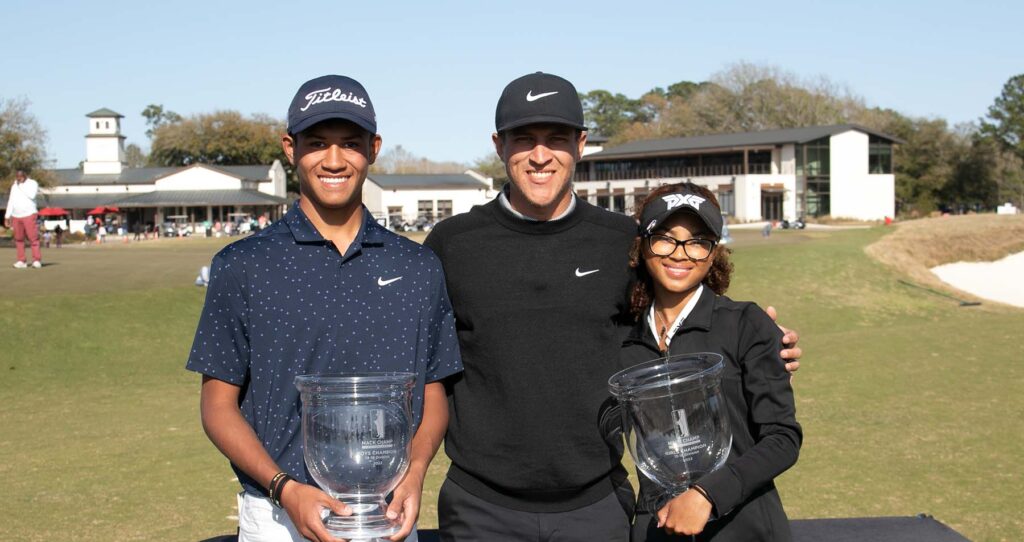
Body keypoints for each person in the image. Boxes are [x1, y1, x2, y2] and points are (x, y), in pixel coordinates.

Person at [424, 72, 801, 541]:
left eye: (556, 139)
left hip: (596, 504)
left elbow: (686, 303)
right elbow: (420, 359)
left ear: (581, 144)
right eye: (525, 139)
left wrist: (764, 342)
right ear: (499, 145)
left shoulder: (623, 241)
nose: (540, 156)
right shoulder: (451, 243)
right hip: (481, 506)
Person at [187, 74, 462, 542]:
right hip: (279, 517)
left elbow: (433, 390)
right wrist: (285, 490)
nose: (334, 161)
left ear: (373, 148)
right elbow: (217, 405)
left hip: (390, 515)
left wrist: (415, 471)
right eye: (317, 143)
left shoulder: (417, 265)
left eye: (350, 144)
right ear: (289, 148)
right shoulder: (241, 264)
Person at [621, 182, 801, 541]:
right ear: (643, 244)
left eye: (698, 241)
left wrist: (708, 495)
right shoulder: (623, 340)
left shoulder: (746, 324)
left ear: (713, 251)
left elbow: (782, 438)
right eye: (665, 238)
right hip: (657, 529)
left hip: (745, 529)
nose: (680, 254)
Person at [4, 169, 42, 268]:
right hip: (16, 215)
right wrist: (7, 216)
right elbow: (11, 201)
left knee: (33, 238)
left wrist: (21, 186)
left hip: (29, 214)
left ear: (25, 175)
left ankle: (36, 260)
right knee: (19, 239)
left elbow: (32, 195)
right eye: (17, 176)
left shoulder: (33, 183)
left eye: (20, 176)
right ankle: (22, 261)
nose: (18, 178)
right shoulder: (14, 186)